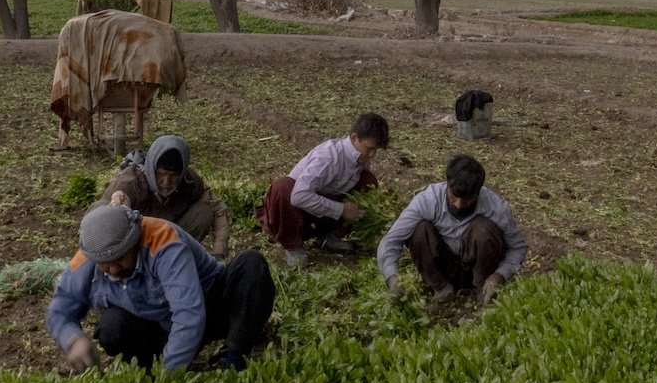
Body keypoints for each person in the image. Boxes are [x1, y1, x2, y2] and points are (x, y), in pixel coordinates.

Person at [47, 203, 274, 372]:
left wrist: (170, 374)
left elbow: (188, 313)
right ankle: (146, 368)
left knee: (251, 264)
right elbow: (59, 311)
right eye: (105, 266)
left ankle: (233, 355)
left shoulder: (163, 240)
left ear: (135, 240)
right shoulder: (87, 257)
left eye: (121, 259)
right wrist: (73, 339)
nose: (114, 269)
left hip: (208, 308)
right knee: (111, 326)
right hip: (155, 327)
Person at [377, 154, 527, 305]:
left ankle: (482, 289)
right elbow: (391, 240)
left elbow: (517, 248)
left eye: (467, 199)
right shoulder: (428, 201)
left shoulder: (496, 207)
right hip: (442, 269)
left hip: (480, 270)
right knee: (419, 229)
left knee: (483, 229)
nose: (459, 204)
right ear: (447, 184)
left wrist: (499, 275)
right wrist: (392, 278)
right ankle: (441, 288)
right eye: (454, 196)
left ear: (478, 192)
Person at [256, 112, 389, 268]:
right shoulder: (328, 157)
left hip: (323, 208)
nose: (372, 154)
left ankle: (328, 234)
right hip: (295, 211)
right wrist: (341, 209)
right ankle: (293, 245)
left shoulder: (361, 158)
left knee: (368, 181)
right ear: (354, 138)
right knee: (282, 187)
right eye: (370, 148)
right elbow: (299, 197)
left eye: (376, 150)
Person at [104, 135, 230, 258]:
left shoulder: (190, 182)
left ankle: (177, 258)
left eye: (173, 175)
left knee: (203, 213)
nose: (166, 182)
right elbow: (117, 204)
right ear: (151, 169)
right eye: (161, 174)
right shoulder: (132, 180)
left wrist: (219, 252)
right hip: (134, 241)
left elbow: (218, 209)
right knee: (101, 209)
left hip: (169, 239)